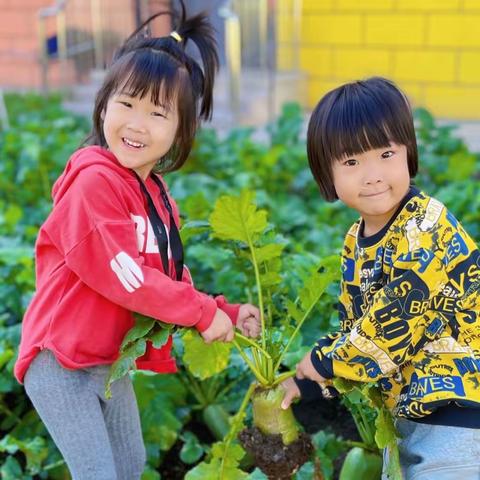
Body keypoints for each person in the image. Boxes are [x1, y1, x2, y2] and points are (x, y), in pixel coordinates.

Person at [14, 4, 260, 479]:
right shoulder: (93, 185)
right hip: (61, 361)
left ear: (181, 129)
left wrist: (221, 311)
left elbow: (166, 277)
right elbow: (125, 277)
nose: (136, 123)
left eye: (157, 112)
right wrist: (202, 314)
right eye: (126, 104)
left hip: (108, 360)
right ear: (104, 104)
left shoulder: (155, 194)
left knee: (131, 466)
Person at [281, 77, 480, 479]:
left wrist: (324, 361)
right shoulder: (356, 240)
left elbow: (392, 322)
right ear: (327, 174)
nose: (372, 175)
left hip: (459, 408)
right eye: (352, 162)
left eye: (386, 153)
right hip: (406, 412)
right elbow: (355, 326)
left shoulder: (426, 226)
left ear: (409, 154)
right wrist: (309, 381)